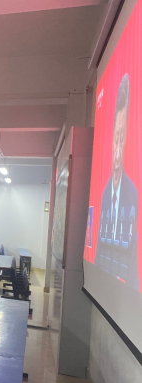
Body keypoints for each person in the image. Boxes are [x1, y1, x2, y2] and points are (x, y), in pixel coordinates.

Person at [96, 73, 139, 290]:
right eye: (116, 139)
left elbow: (132, 265)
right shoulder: (105, 194)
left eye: (122, 139)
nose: (118, 151)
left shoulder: (132, 194)